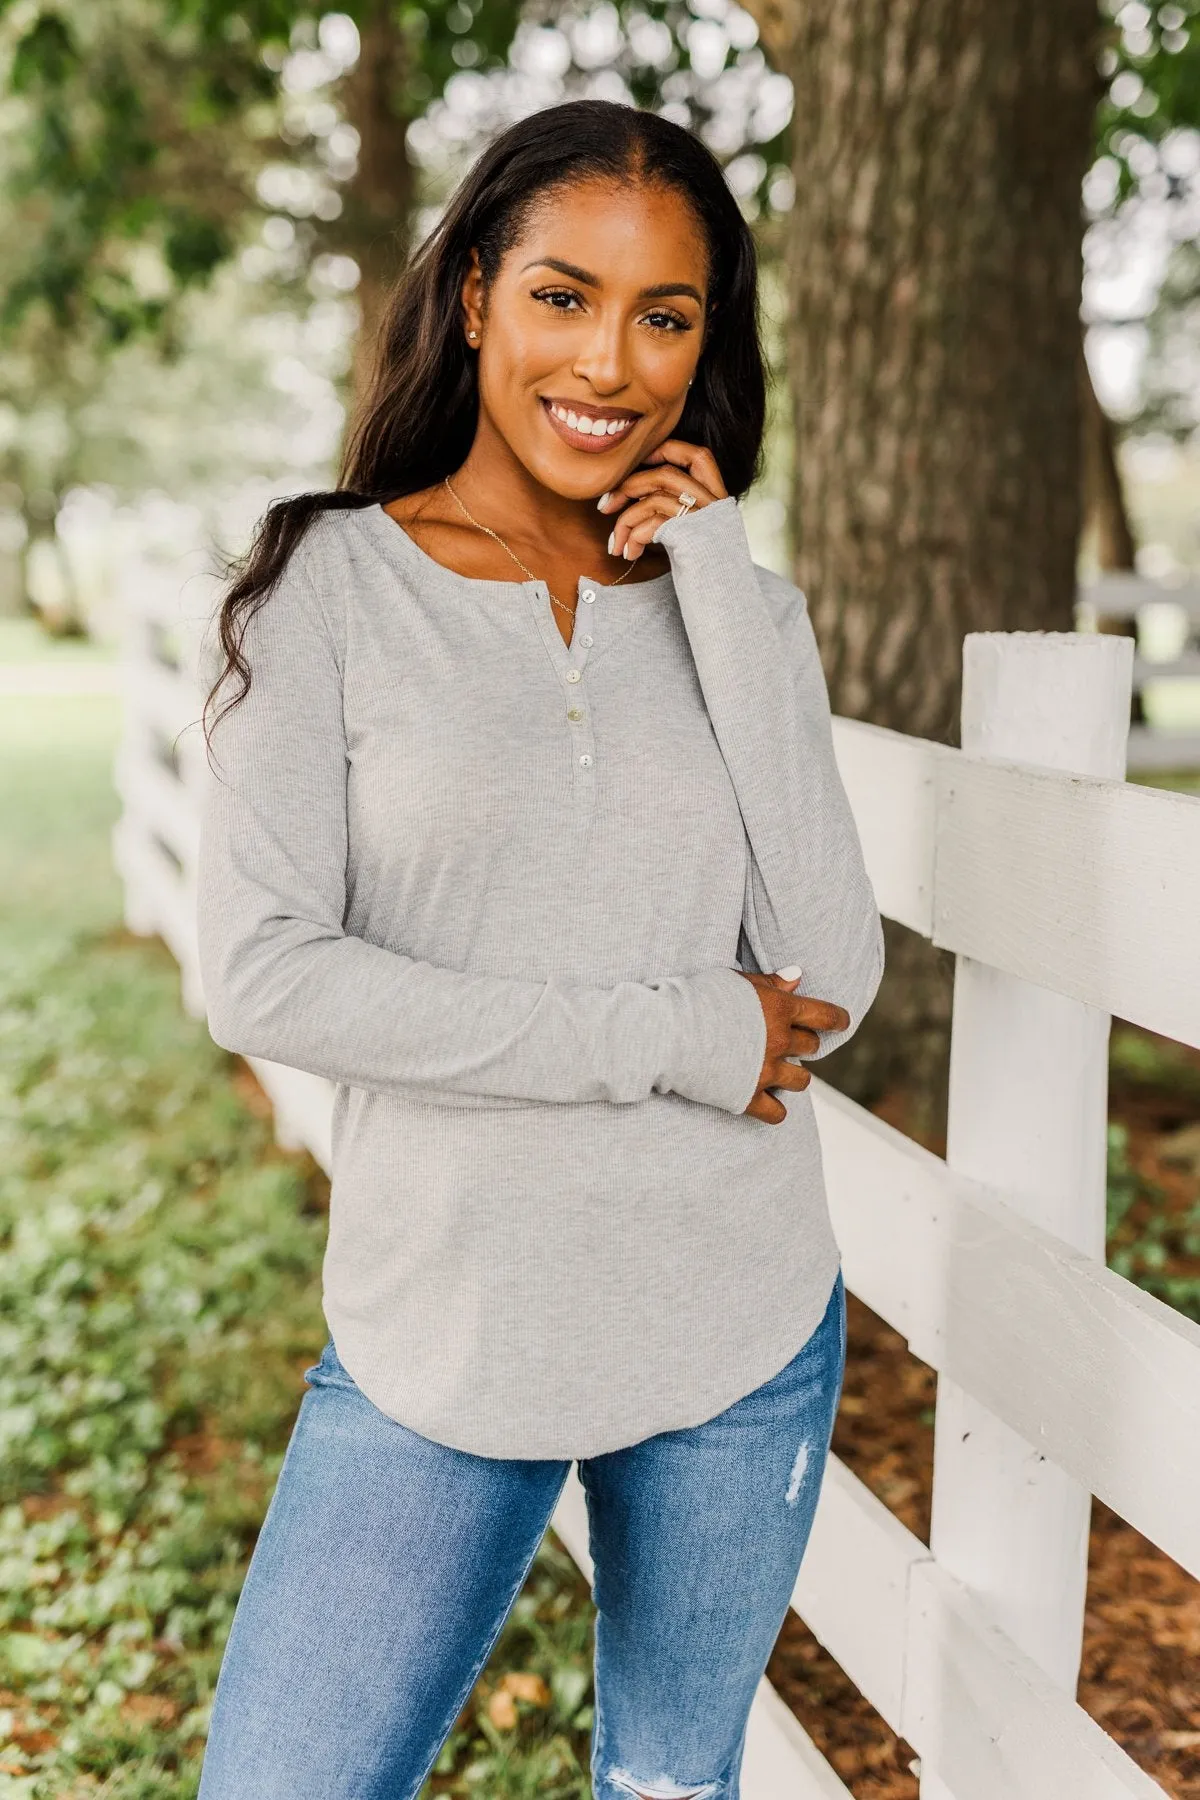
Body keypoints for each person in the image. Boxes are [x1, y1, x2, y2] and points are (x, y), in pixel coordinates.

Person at [194, 95, 884, 1800]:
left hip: (735, 1322)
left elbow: (831, 969)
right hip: (450, 1328)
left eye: (670, 315)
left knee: (669, 1787)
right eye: (567, 296)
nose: (615, 363)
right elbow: (268, 973)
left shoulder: (740, 608)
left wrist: (717, 574)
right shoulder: (330, 591)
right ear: (477, 294)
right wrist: (662, 1034)